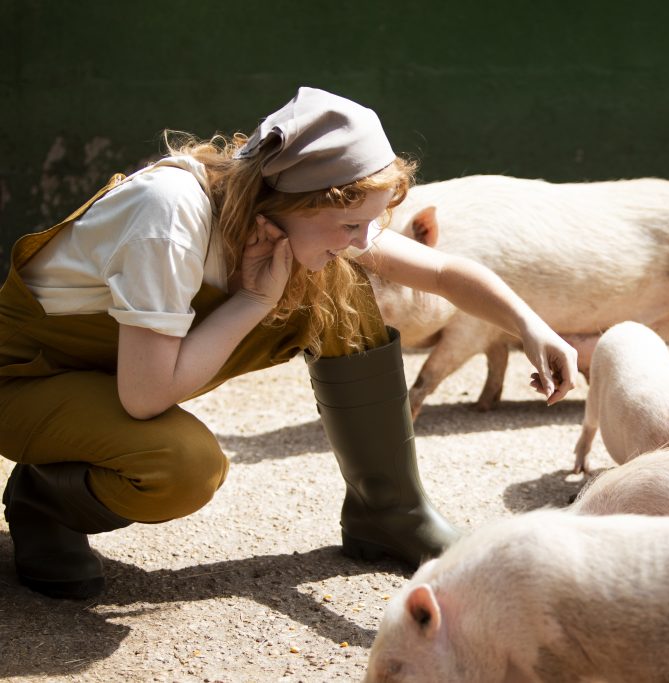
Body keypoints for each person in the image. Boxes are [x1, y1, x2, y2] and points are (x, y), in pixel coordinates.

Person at [0, 87, 577, 600]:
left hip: (120, 370)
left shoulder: (285, 216)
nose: (361, 240)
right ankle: (45, 499)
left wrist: (531, 325)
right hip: (28, 379)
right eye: (350, 226)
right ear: (297, 203)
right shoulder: (168, 214)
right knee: (180, 467)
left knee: (340, 285)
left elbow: (443, 271)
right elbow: (145, 397)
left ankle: (390, 511)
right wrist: (252, 303)